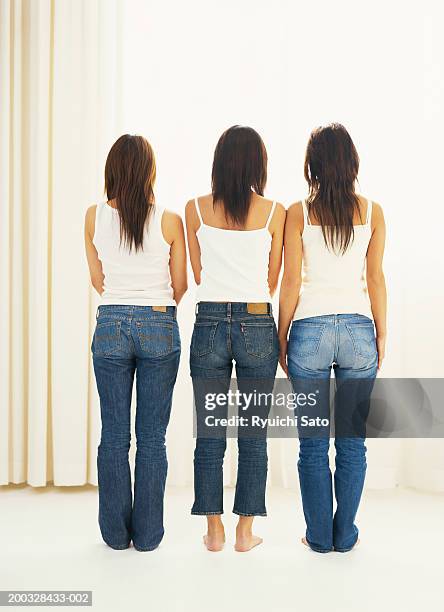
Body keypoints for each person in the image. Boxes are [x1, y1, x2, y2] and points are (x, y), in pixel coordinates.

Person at [278, 123, 387, 553]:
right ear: (352, 163)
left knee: (312, 446)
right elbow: (375, 279)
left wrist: (283, 335)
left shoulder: (298, 213)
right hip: (360, 330)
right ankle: (345, 535)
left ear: (312, 165)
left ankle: (319, 536)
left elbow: (290, 282)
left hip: (310, 330)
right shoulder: (373, 212)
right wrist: (382, 333)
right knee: (353, 444)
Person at [84, 134, 187, 551]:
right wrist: (154, 307)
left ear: (111, 171)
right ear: (150, 172)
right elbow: (179, 286)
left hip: (110, 322)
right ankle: (147, 538)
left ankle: (114, 535)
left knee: (113, 435)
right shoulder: (168, 220)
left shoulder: (92, 217)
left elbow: (98, 280)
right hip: (159, 324)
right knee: (152, 438)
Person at [185, 125, 286, 552]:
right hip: (258, 321)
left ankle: (213, 531)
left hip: (209, 319)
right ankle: (245, 532)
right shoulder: (275, 211)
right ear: (258, 164)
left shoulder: (194, 208)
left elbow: (198, 274)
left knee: (209, 432)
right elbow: (272, 277)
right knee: (254, 434)